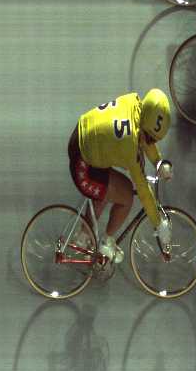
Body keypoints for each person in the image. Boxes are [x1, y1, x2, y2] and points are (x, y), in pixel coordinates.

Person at [69, 90, 174, 264]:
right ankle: (106, 244)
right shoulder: (129, 145)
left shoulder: (134, 102)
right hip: (83, 164)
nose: (150, 143)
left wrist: (158, 161)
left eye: (154, 141)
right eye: (150, 139)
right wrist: (158, 223)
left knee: (108, 190)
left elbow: (144, 136)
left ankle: (83, 237)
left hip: (85, 137)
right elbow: (143, 189)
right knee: (125, 195)